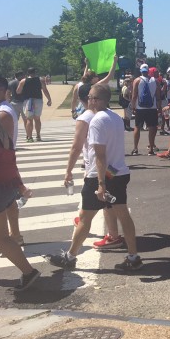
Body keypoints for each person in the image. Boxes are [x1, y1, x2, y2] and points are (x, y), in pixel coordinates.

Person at [46, 83, 143, 272]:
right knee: (123, 215)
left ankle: (70, 256)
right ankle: (133, 256)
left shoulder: (97, 120)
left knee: (85, 217)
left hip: (101, 176)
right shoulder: (115, 117)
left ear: (98, 100)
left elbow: (100, 155)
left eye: (91, 97)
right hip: (117, 171)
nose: (88, 100)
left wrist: (100, 184)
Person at [0, 105, 41, 291]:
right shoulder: (3, 136)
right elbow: (11, 165)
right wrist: (20, 186)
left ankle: (29, 272)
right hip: (4, 189)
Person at [64, 83, 123, 250]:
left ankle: (71, 254)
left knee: (89, 209)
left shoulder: (86, 118)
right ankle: (113, 235)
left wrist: (68, 170)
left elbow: (76, 147)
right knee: (107, 203)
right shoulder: (111, 115)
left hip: (97, 169)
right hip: (113, 167)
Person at [0, 76, 28, 247]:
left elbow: (3, 142)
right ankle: (13, 236)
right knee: (7, 201)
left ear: (2, 90)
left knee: (1, 201)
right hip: (2, 161)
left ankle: (4, 237)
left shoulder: (2, 113)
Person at [16, 67, 52, 143]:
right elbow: (45, 90)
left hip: (28, 101)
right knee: (37, 118)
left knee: (29, 119)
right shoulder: (40, 80)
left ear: (27, 73)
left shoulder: (23, 81)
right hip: (38, 100)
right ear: (35, 72)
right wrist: (49, 99)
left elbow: (18, 91)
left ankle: (29, 137)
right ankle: (38, 136)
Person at [131, 63, 158, 156]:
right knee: (152, 128)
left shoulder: (137, 80)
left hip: (140, 108)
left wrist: (133, 106)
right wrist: (159, 107)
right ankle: (151, 148)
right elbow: (158, 96)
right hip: (152, 107)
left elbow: (134, 95)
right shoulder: (155, 81)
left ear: (141, 71)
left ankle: (135, 148)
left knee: (137, 127)